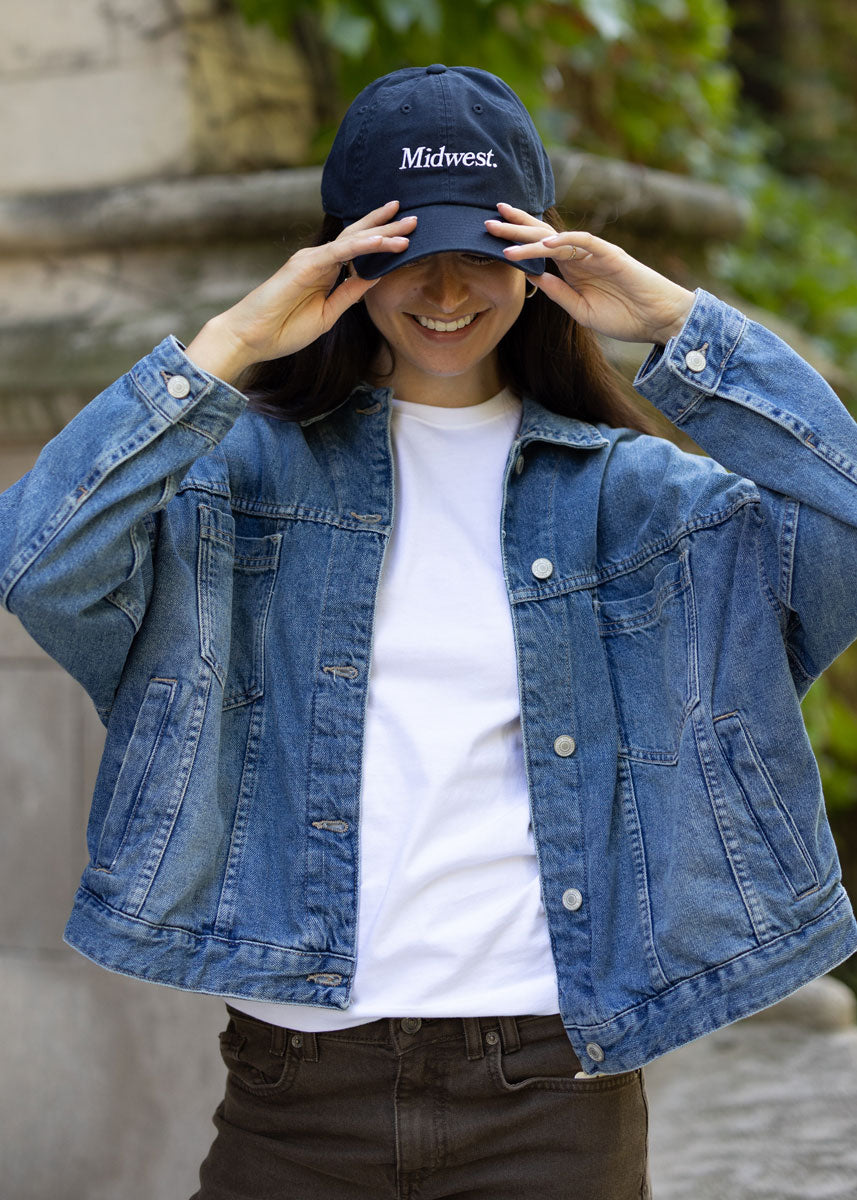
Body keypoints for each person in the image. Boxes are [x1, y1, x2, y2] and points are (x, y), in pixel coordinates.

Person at [1, 63, 856, 1200]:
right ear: (348, 260)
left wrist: (678, 326)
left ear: (537, 258)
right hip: (291, 1090)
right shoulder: (235, 485)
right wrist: (233, 339)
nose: (445, 287)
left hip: (551, 1088)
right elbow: (39, 558)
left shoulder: (643, 502)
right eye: (404, 248)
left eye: (482, 250)